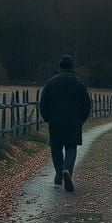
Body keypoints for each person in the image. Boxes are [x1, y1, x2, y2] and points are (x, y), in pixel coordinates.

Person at [39, 55, 91, 192]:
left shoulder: (51, 82)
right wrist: (81, 119)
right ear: (72, 67)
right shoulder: (79, 83)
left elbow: (43, 102)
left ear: (60, 66)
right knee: (71, 147)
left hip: (55, 120)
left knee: (56, 147)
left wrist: (47, 118)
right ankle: (67, 170)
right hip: (74, 121)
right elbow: (87, 104)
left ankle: (58, 172)